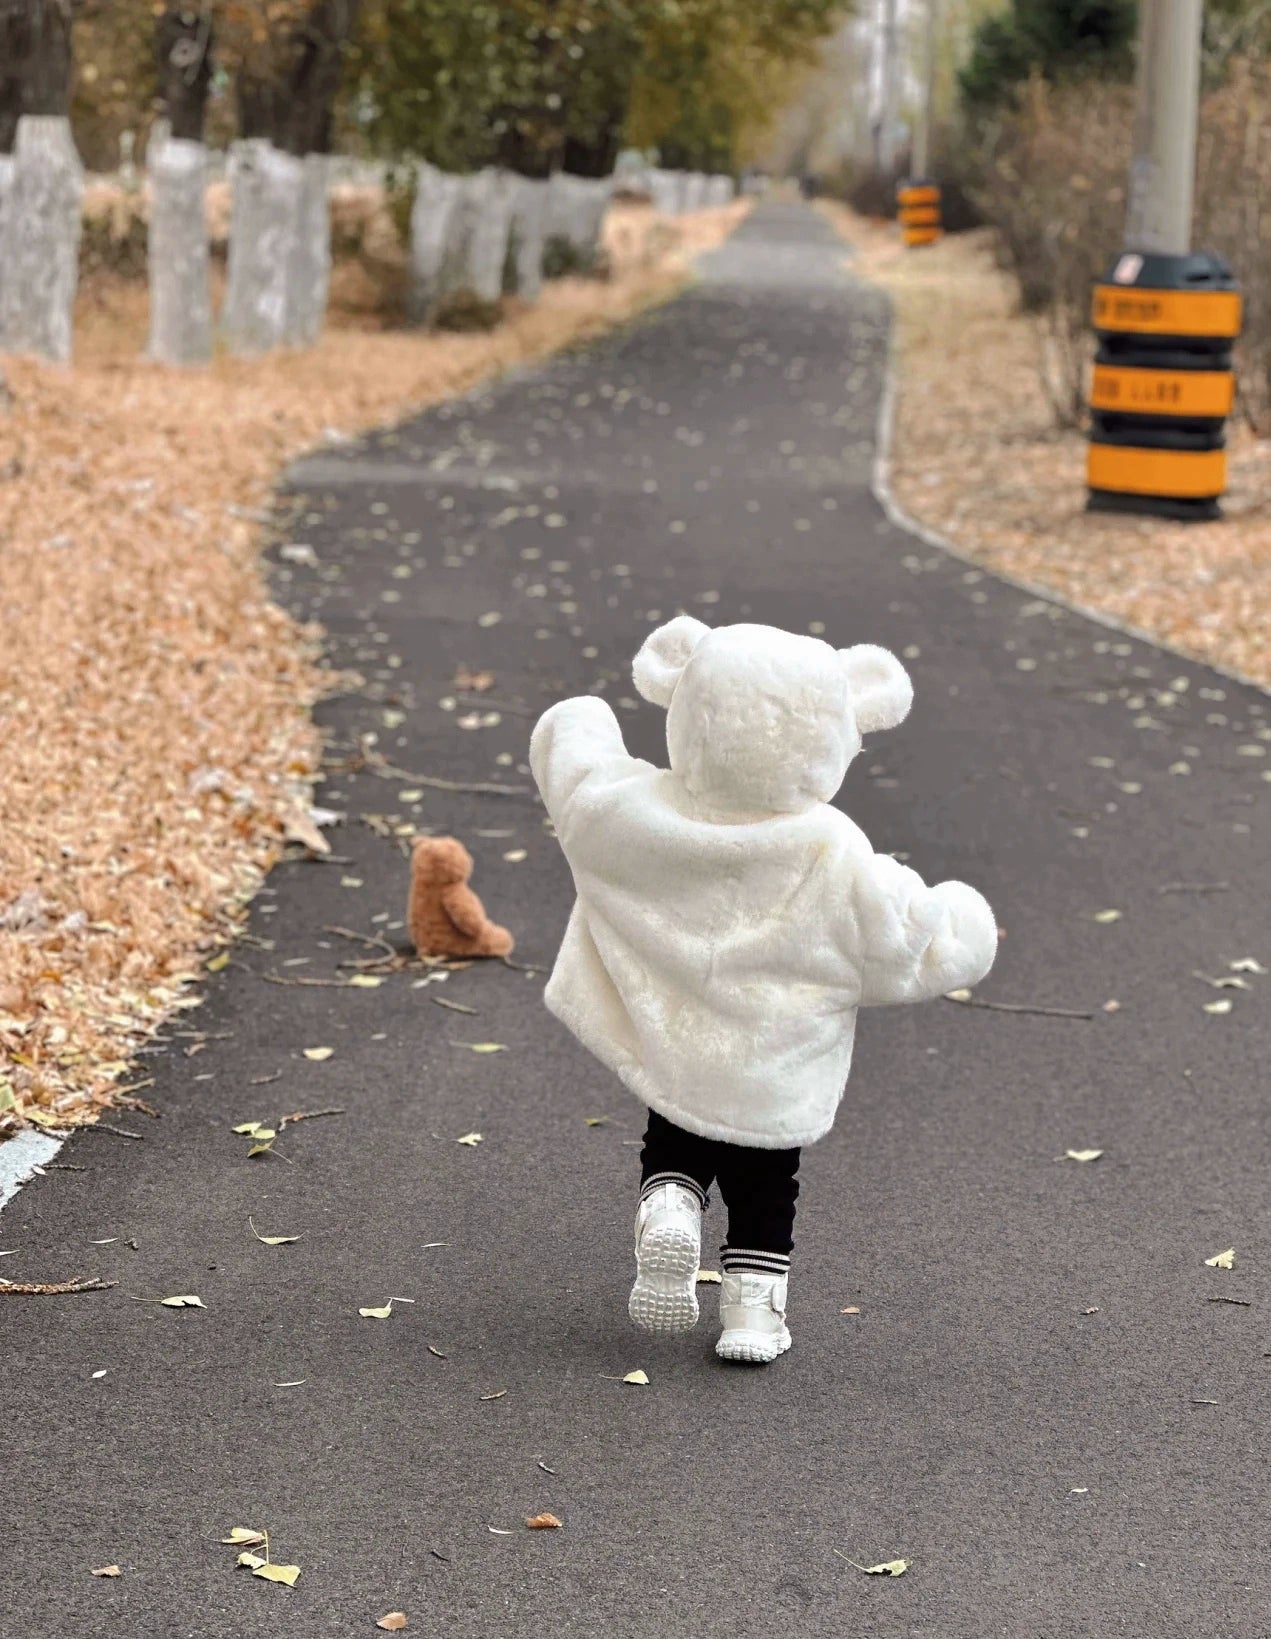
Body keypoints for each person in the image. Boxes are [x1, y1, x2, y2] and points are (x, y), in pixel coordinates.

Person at [530, 618, 997, 1365]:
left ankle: (670, 1203)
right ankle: (751, 1311)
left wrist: (580, 718)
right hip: (776, 1063)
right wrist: (965, 920)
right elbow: (913, 937)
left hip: (673, 1036)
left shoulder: (636, 811)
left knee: (674, 1133)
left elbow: (577, 776)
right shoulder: (832, 849)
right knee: (768, 1182)